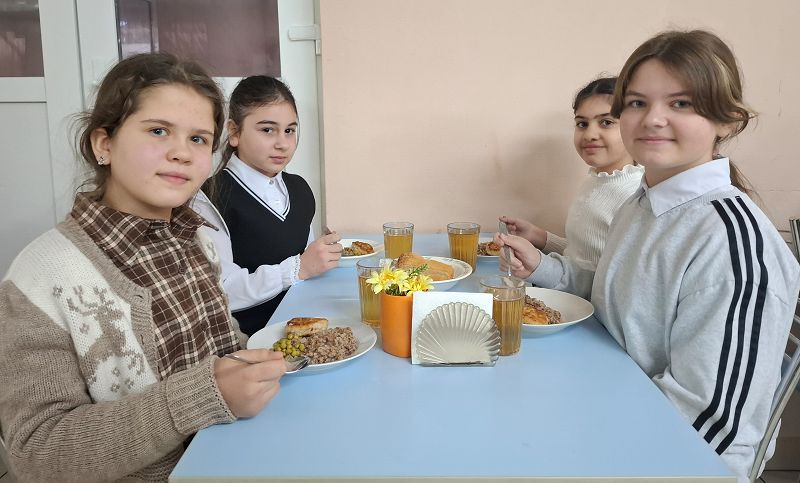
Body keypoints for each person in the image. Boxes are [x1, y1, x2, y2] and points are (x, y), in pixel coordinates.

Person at [496, 30, 800, 482]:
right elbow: (606, 294)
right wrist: (543, 268)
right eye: (637, 102)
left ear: (728, 120)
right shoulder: (641, 204)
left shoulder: (731, 242)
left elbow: (710, 427)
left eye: (681, 103)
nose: (653, 119)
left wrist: (575, 443)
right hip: (606, 405)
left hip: (662, 459)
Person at [0, 53, 287, 482]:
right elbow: (37, 453)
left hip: (236, 460)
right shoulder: (41, 277)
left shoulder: (197, 240)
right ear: (104, 144)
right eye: (158, 131)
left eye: (198, 139)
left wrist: (270, 357)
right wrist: (202, 396)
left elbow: (220, 346)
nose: (181, 153)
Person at [193, 76, 341, 336]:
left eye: (289, 130)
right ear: (234, 132)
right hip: (251, 340)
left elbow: (305, 262)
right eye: (267, 130)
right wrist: (298, 268)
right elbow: (222, 290)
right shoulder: (209, 198)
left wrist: (322, 255)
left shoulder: (300, 189)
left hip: (309, 326)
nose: (282, 143)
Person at [500, 77, 643, 268]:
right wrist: (538, 236)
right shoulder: (596, 180)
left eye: (606, 122)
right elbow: (583, 255)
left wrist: (541, 265)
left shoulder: (634, 197)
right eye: (582, 124)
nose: (590, 134)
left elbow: (609, 280)